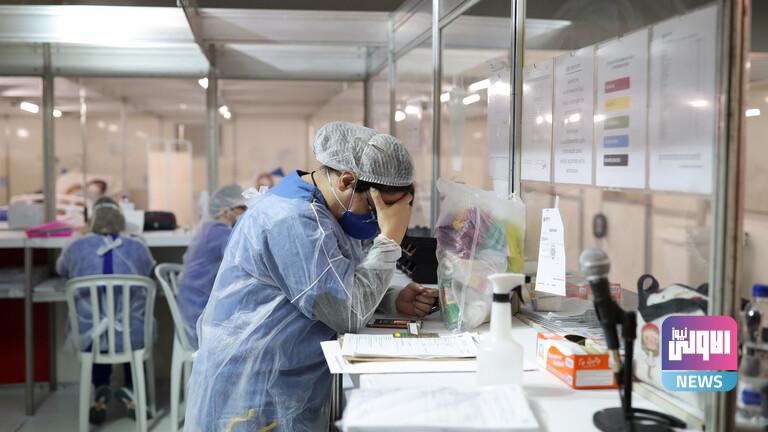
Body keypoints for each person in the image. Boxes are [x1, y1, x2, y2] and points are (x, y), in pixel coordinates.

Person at [184, 122, 438, 431]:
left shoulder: (322, 209)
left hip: (286, 378)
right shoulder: (294, 221)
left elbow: (332, 283)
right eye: (375, 209)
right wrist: (389, 240)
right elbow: (347, 312)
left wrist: (390, 299)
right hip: (256, 390)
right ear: (347, 180)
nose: (377, 221)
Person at [57, 197, 156, 425]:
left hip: (90, 336)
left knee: (97, 334)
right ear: (120, 219)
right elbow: (150, 273)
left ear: (92, 219)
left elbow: (62, 270)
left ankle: (100, 392)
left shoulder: (75, 246)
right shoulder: (138, 247)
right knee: (131, 333)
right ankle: (132, 392)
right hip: (132, 336)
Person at [178, 184, 246, 349]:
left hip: (195, 312)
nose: (245, 212)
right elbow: (244, 259)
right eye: (241, 208)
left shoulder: (207, 229)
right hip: (202, 322)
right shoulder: (218, 232)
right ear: (224, 211)